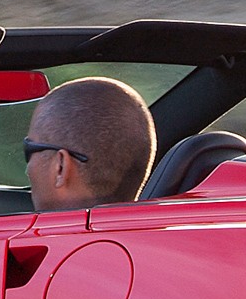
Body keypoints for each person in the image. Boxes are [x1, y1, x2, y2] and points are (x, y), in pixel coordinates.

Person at [22, 75, 157, 208]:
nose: (28, 170)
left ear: (61, 167)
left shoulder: (14, 230)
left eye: (28, 149)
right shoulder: (165, 227)